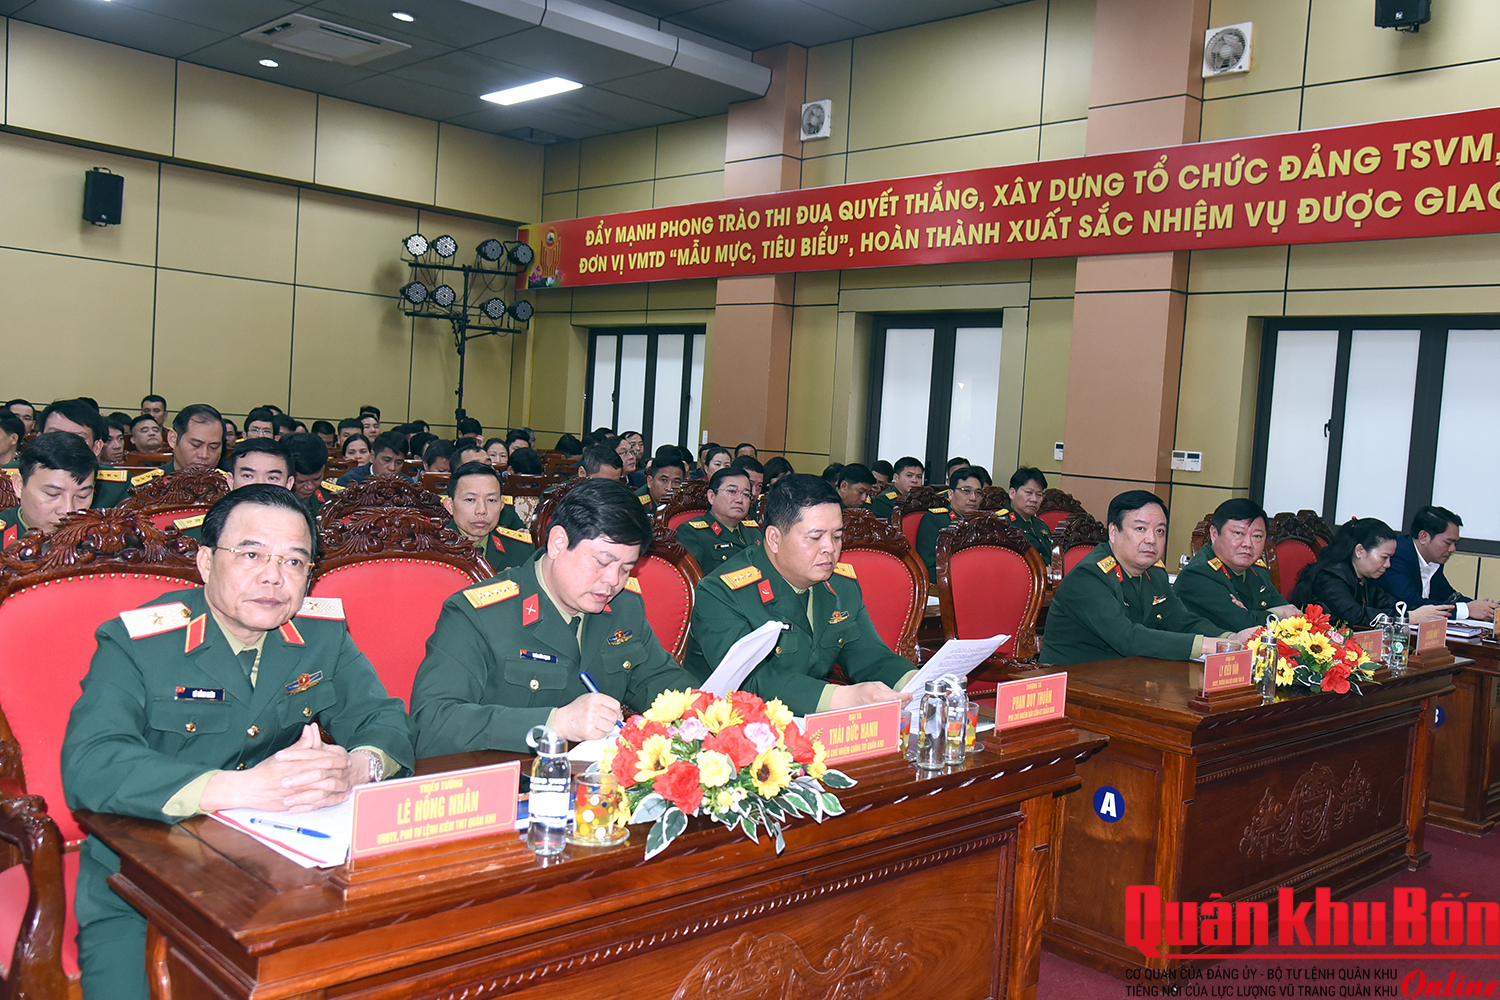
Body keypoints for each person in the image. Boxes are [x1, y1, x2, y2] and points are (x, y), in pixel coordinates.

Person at [60, 485, 413, 1000]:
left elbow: (384, 719)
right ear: (206, 562)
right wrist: (245, 788)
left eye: (294, 561)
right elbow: (91, 763)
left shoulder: (321, 634)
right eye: (251, 555)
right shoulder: (137, 642)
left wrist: (357, 768)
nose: (273, 576)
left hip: (280, 877)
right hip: (142, 881)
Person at [410, 478, 691, 755]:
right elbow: (433, 723)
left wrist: (708, 713)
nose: (613, 581)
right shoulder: (479, 615)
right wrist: (554, 723)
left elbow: (664, 683)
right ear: (558, 542)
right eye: (602, 562)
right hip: (509, 776)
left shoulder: (623, 607)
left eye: (626, 569)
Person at [682, 475, 914, 715]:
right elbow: (751, 680)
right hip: (726, 723)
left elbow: (870, 656)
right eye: (815, 537)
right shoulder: (721, 592)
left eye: (836, 536)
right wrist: (841, 697)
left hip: (807, 720)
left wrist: (916, 683)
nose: (830, 548)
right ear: (774, 539)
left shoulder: (841, 585)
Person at [1041, 491, 1255, 666]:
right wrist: (1209, 646)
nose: (1152, 539)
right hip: (1075, 681)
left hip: (1128, 675)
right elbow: (1127, 638)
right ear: (1113, 532)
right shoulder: (1088, 577)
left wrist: (1229, 638)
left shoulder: (1154, 573)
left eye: (1160, 531)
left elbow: (1182, 622)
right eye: (1140, 529)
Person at [1290, 517, 1452, 628]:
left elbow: (1391, 604)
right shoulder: (1329, 577)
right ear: (1360, 551)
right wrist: (1408, 618)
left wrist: (1424, 612)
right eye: (1384, 557)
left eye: (1390, 558)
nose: (1388, 565)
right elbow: (1355, 616)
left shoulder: (1366, 578)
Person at [1174, 498, 1298, 631]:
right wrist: (1279, 613)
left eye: (1257, 536)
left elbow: (1294, 616)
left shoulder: (1257, 570)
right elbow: (1245, 626)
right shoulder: (1197, 574)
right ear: (1214, 534)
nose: (1248, 544)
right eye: (1238, 533)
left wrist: (1253, 616)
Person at [1379, 506, 1497, 622]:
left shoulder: (1434, 559)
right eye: (1448, 543)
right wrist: (1467, 609)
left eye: (1455, 543)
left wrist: (1482, 607)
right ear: (1423, 537)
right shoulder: (1397, 556)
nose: (1453, 549)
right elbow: (1411, 604)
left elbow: (1448, 596)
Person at [1, 432, 97, 545]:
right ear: (19, 485)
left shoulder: (102, 539)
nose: (68, 511)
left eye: (82, 496)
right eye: (52, 494)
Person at [34, 399, 129, 508]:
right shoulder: (17, 475)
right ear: (38, 440)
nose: (64, 445)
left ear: (96, 447)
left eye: (77, 439)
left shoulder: (116, 487)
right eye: (55, 436)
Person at [442, 461, 534, 571]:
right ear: (450, 506)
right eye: (470, 499)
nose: (482, 510)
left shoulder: (520, 549)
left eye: (491, 500)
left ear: (501, 506)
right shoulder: (430, 547)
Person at [676, 467, 762, 568]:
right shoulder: (691, 533)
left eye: (746, 494)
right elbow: (691, 575)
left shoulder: (754, 531)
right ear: (712, 496)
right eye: (732, 491)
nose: (739, 499)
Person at [915, 465, 989, 581]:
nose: (973, 498)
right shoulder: (935, 520)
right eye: (966, 491)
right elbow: (928, 567)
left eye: (978, 493)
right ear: (951, 493)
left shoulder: (983, 522)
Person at [999, 467, 1053, 561]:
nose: (1034, 499)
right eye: (1028, 493)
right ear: (1012, 493)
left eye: (1039, 495)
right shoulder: (1000, 523)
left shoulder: (1041, 525)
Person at [159, 404, 226, 474]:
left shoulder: (228, 480)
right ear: (173, 439)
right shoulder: (154, 480)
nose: (204, 455)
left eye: (213, 447)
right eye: (196, 445)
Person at [281, 432, 337, 513]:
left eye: (317, 479)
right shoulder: (269, 501)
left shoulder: (333, 497)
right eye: (301, 481)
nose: (310, 487)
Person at [336, 430, 408, 486]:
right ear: (372, 457)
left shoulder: (407, 484)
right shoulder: (349, 481)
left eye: (399, 462)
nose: (392, 468)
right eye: (387, 460)